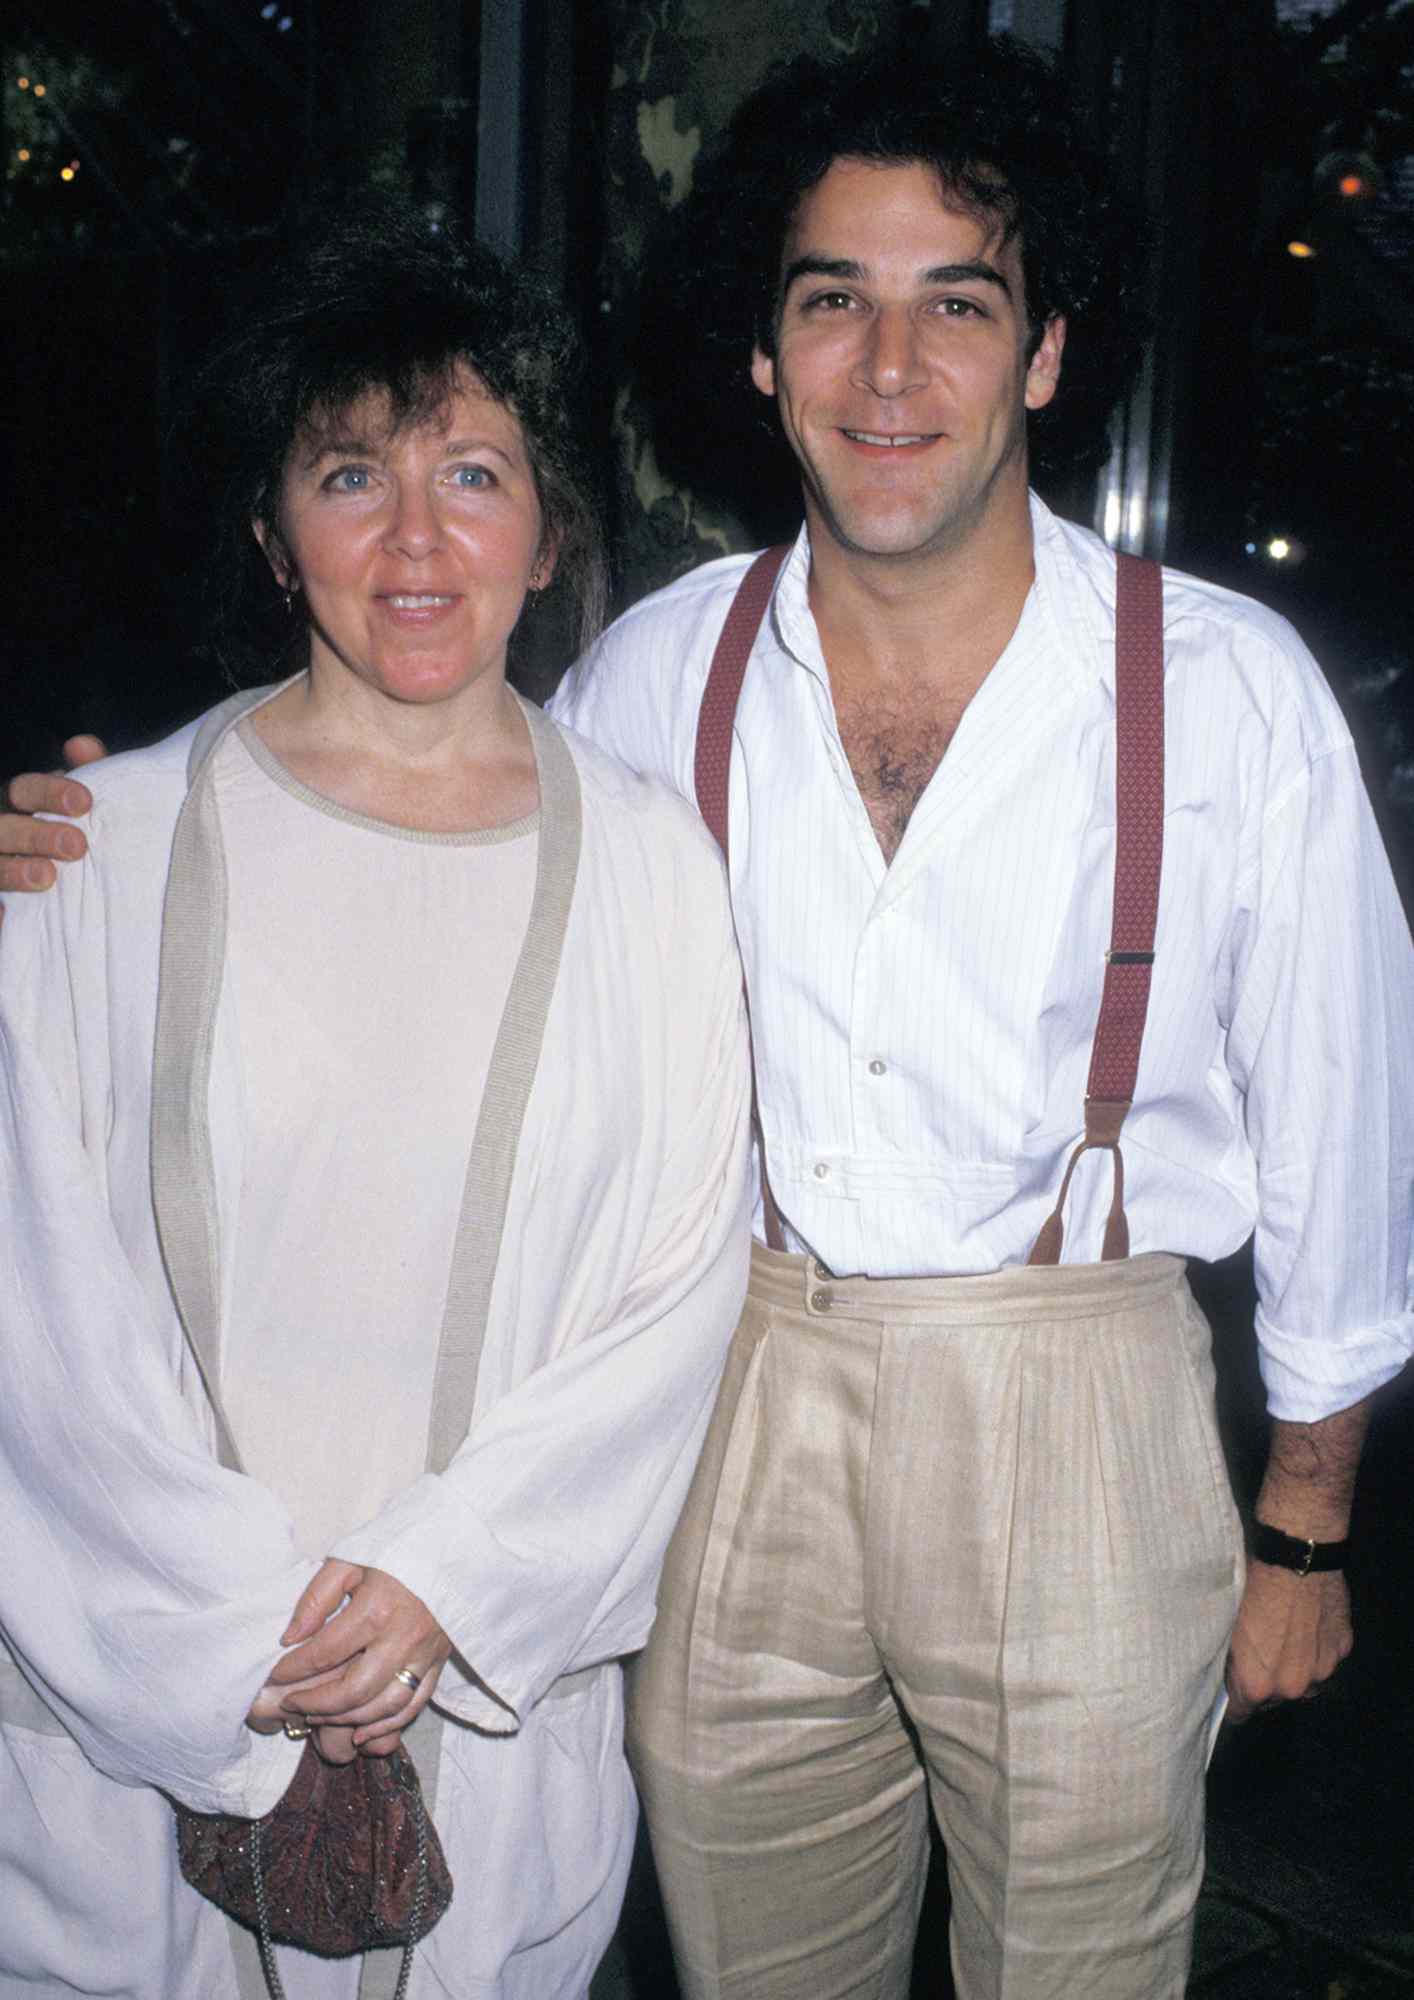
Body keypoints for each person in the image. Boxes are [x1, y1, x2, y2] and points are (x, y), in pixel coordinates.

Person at [5, 35, 1414, 2000]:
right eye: (831, 303)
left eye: (956, 305)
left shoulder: (1225, 688)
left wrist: (1304, 1533)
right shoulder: (658, 673)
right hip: (746, 1392)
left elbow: (1348, 1117)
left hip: (1074, 1384)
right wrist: (91, 839)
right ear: (762, 355)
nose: (890, 368)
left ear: (1045, 353)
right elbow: (450, 885)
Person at [0, 207, 751, 2000]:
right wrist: (239, 1627)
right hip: (157, 1715)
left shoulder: (656, 867)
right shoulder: (100, 860)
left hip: (493, 1725)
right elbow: (32, 1306)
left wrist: (452, 1581)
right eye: (352, 474)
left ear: (551, 525)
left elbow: (681, 1281)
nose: (417, 539)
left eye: (476, 474)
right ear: (273, 533)